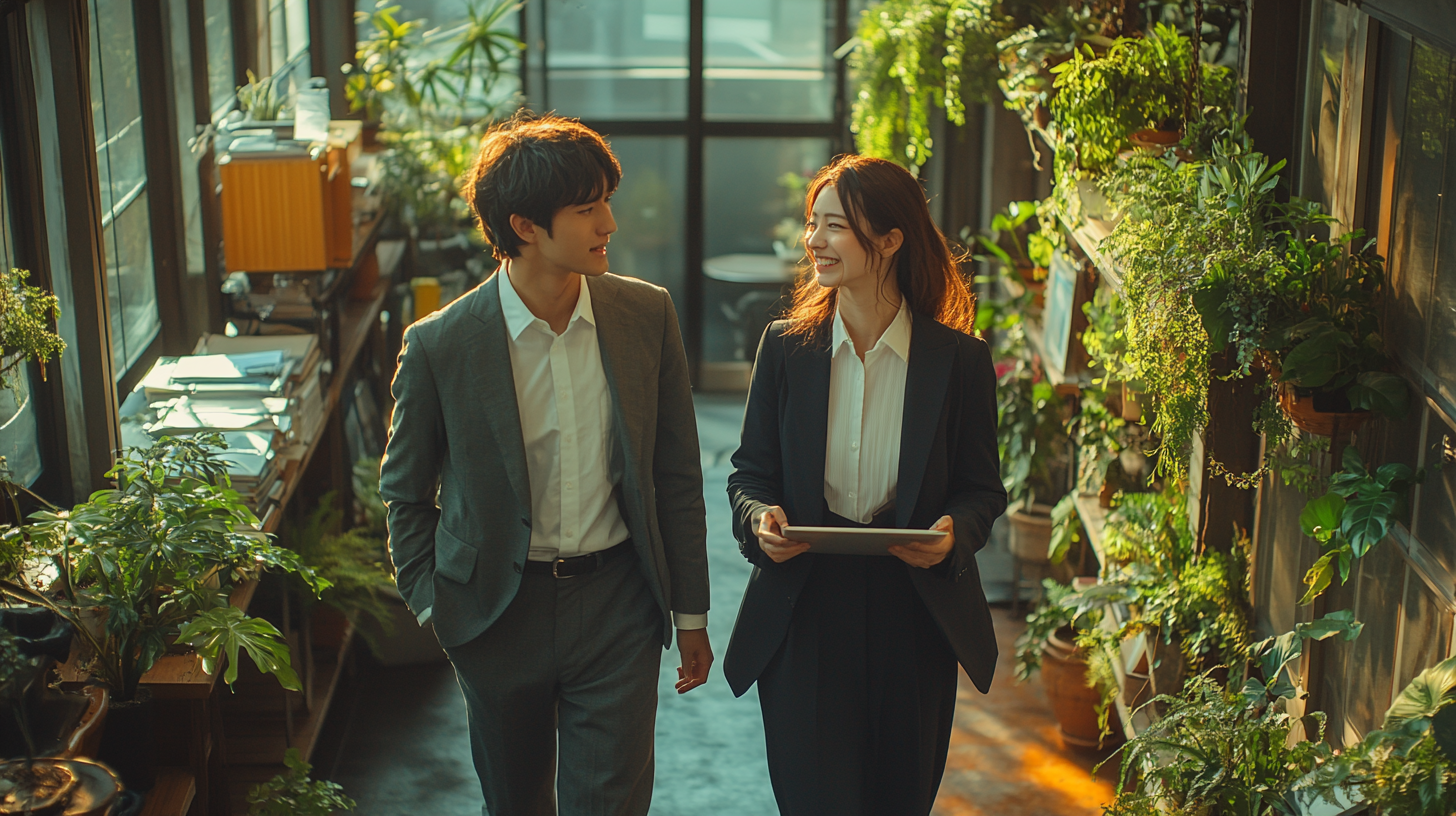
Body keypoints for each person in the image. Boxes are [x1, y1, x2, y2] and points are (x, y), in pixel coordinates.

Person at [379, 112, 713, 816]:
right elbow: (405, 494)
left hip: (619, 602)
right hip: (499, 613)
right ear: (525, 225)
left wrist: (690, 614)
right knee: (515, 802)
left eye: (606, 203)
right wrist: (436, 603)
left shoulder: (646, 315)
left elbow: (677, 476)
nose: (610, 226)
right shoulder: (440, 346)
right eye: (588, 209)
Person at [722, 154, 1007, 816]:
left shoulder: (960, 362)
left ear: (889, 238)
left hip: (914, 613)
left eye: (834, 227)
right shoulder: (786, 349)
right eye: (811, 225)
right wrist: (761, 519)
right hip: (806, 610)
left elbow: (981, 489)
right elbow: (750, 474)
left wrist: (954, 534)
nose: (812, 241)